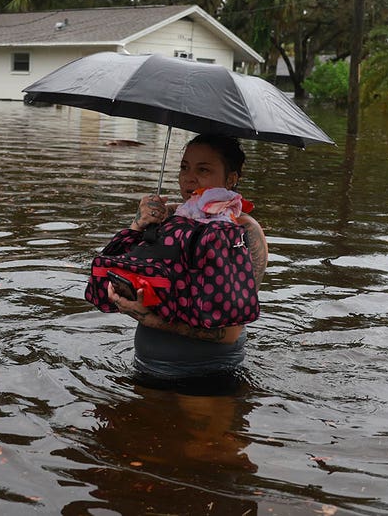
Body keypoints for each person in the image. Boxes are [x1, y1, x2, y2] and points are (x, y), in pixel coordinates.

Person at [106, 134, 268, 379]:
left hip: (209, 374)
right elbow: (116, 269)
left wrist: (150, 320)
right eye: (184, 167)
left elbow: (230, 332)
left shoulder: (243, 231)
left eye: (203, 169)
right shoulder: (168, 218)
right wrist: (139, 224)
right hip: (146, 366)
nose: (189, 178)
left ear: (231, 179)